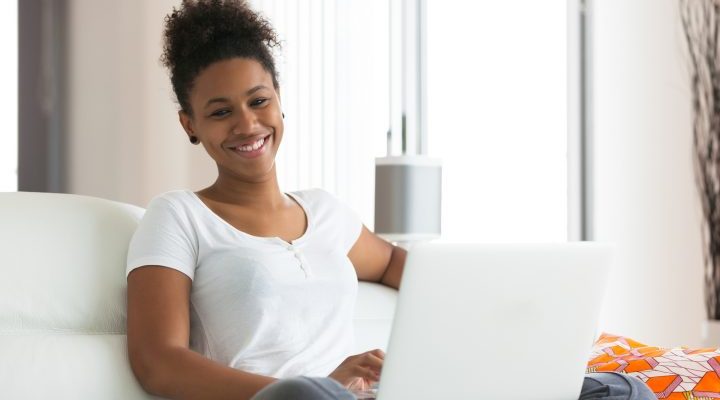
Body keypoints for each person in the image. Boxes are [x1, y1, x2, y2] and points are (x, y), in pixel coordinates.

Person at [125, 1, 656, 399]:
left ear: (280, 101)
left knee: (619, 389)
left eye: (259, 101)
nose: (247, 124)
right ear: (189, 123)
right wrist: (315, 383)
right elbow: (158, 361)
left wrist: (520, 317)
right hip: (292, 398)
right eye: (220, 112)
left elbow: (417, 273)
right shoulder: (178, 217)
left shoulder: (326, 213)